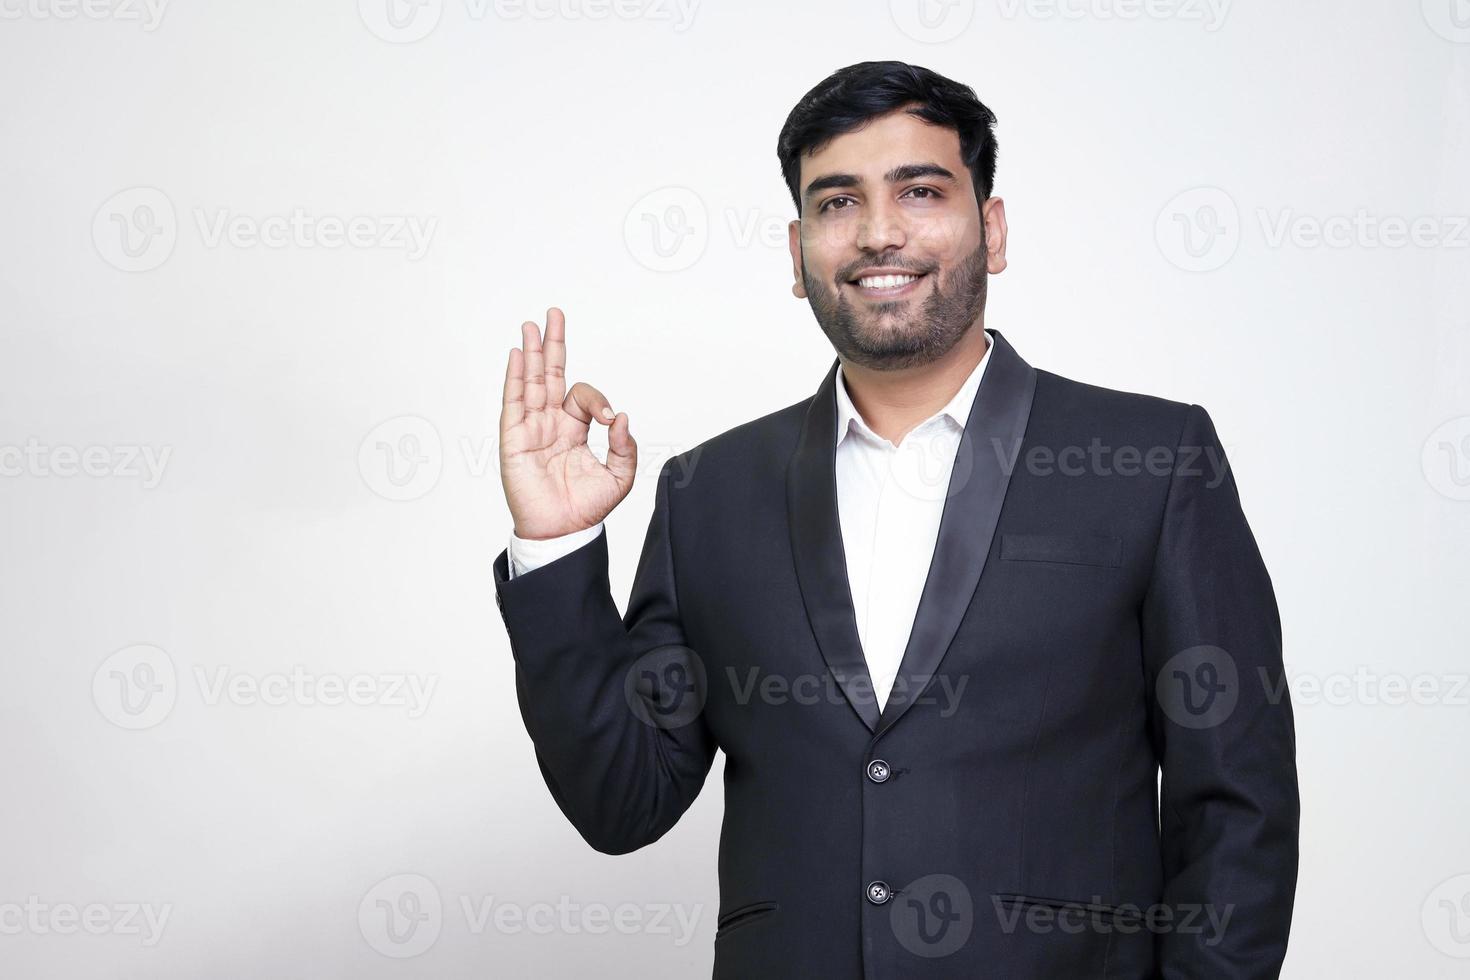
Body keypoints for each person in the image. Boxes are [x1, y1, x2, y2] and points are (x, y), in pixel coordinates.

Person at [492, 60, 1299, 978]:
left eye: (920, 191)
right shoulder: (706, 492)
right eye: (837, 204)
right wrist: (554, 545)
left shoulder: (1152, 461)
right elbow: (621, 803)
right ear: (799, 254)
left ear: (991, 229)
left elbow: (1238, 805)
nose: (879, 233)